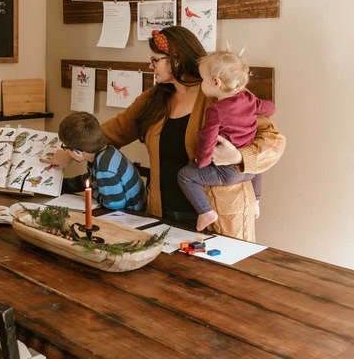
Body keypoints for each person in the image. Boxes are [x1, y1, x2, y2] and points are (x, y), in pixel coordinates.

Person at [44, 26, 285, 241]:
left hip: (219, 217)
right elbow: (116, 130)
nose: (150, 66)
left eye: (155, 60)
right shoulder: (154, 98)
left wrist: (239, 156)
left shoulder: (223, 94)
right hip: (165, 215)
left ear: (175, 60)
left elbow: (274, 141)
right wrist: (70, 150)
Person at [177, 50, 276, 231]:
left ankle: (206, 212)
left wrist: (203, 161)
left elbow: (207, 138)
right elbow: (270, 109)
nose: (201, 84)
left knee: (185, 175)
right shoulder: (249, 99)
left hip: (227, 171)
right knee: (256, 166)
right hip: (249, 172)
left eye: (203, 79)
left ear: (216, 82)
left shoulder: (216, 110)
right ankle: (256, 202)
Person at [59, 112, 147, 211]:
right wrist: (62, 184)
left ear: (77, 152)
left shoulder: (105, 168)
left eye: (65, 147)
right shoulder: (106, 152)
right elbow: (92, 180)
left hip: (130, 215)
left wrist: (93, 193)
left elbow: (115, 205)